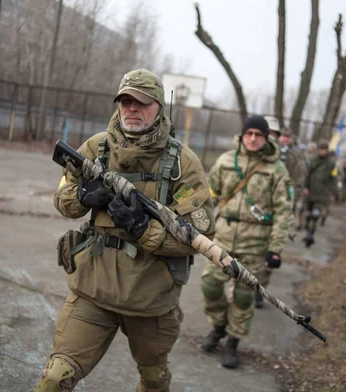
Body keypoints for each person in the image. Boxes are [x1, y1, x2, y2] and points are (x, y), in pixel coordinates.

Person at [36, 69, 215, 392]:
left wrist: (144, 228)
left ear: (159, 106)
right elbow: (62, 198)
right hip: (93, 289)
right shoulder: (95, 149)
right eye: (126, 101)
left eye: (142, 102)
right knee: (53, 379)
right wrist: (81, 197)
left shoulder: (182, 165)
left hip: (150, 300)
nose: (132, 108)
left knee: (153, 382)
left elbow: (199, 239)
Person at [201, 115, 293, 369]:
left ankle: (232, 342)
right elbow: (209, 197)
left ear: (266, 138)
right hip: (223, 237)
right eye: (249, 133)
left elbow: (284, 212)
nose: (253, 138)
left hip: (257, 243)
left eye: (259, 134)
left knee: (243, 296)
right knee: (210, 285)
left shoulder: (276, 170)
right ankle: (219, 326)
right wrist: (199, 228)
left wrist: (275, 248)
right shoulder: (225, 161)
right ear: (242, 135)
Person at [302, 140, 338, 247]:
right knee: (308, 213)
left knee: (315, 214)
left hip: (322, 193)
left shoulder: (331, 163)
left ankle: (310, 235)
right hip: (311, 191)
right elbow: (307, 175)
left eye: (325, 150)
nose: (323, 152)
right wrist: (305, 187)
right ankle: (307, 229)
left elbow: (333, 178)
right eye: (321, 150)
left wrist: (332, 192)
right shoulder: (312, 160)